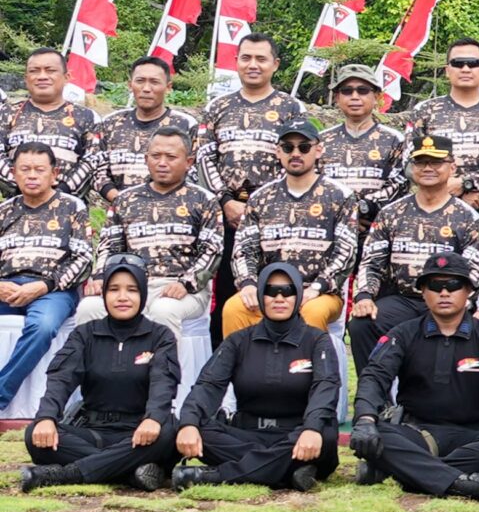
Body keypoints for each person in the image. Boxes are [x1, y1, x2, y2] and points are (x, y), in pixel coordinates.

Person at [349, 250, 479, 500]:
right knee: (377, 435)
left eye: (453, 285)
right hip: (416, 434)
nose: (444, 293)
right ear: (423, 291)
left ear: (468, 292)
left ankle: (402, 471)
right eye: (435, 285)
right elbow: (374, 378)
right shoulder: (402, 334)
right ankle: (463, 484)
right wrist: (366, 419)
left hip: (473, 436)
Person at [173, 261, 340, 491]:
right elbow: (208, 385)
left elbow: (326, 386)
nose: (279, 298)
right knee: (197, 430)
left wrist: (311, 429)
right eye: (271, 291)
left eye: (288, 291)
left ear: (299, 295)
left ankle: (214, 476)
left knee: (325, 435)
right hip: (247, 435)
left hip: (297, 435)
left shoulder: (317, 340)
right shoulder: (238, 340)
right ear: (261, 295)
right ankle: (285, 472)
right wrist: (189, 422)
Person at [20, 255, 181, 492]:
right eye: (114, 289)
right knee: (36, 435)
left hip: (141, 433)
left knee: (169, 432)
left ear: (143, 295)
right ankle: (132, 474)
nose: (123, 297)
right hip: (92, 432)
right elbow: (61, 379)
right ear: (104, 294)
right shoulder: (85, 334)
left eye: (132, 290)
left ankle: (66, 474)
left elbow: (163, 384)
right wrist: (46, 417)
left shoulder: (160, 336)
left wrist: (154, 419)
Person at [348, 132, 479, 363]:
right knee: (363, 324)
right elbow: (372, 261)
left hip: (448, 299)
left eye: (436, 162)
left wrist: (457, 302)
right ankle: (374, 395)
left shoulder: (468, 217)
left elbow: (475, 269)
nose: (428, 168)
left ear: (452, 167)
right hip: (402, 299)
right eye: (421, 162)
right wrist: (364, 296)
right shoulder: (391, 213)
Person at [198, 32, 309, 307]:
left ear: (276, 64)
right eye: (246, 58)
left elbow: (298, 159)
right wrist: (225, 202)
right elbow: (204, 157)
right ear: (236, 61)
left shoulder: (291, 108)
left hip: (277, 215)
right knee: (226, 291)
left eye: (261, 58)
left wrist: (266, 205)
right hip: (226, 215)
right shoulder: (217, 107)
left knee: (275, 290)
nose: (253, 65)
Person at [79, 125, 219, 330]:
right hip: (131, 286)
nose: (162, 163)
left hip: (182, 287)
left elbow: (212, 250)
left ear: (189, 162)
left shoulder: (204, 200)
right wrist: (100, 277)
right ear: (146, 159)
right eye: (155, 156)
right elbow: (109, 246)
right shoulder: (125, 200)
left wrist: (186, 283)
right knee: (90, 307)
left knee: (164, 310)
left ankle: (162, 364)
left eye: (171, 157)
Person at [224, 119, 356, 336]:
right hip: (268, 291)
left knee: (312, 312)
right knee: (234, 308)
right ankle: (240, 369)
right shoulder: (260, 198)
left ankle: (307, 369)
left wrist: (317, 287)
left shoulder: (340, 196)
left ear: (318, 150)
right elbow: (243, 248)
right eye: (288, 147)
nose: (296, 153)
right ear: (278, 152)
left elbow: (346, 252)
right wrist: (248, 283)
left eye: (304, 147)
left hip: (319, 292)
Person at [0, 141, 94, 405]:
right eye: (25, 169)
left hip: (53, 290)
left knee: (42, 327)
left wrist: (43, 286)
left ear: (54, 174)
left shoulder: (72, 207)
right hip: (6, 287)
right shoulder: (4, 211)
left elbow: (84, 259)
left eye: (39, 170)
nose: (31, 175)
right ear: (14, 173)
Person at [401, 38, 479, 243]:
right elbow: (409, 161)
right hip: (432, 207)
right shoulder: (425, 111)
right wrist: (443, 188)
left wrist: (466, 184)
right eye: (457, 63)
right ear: (447, 70)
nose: (465, 68)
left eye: (473, 63)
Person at [71, 55, 195, 210]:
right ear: (130, 85)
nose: (146, 88)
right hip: (120, 211)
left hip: (172, 211)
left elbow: (192, 171)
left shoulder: (186, 125)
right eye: (140, 81)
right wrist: (119, 199)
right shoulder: (110, 124)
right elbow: (97, 168)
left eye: (154, 82)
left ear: (168, 87)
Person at [316, 63, 406, 233]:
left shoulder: (394, 139)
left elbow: (400, 183)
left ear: (377, 96)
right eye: (347, 91)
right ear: (337, 97)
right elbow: (311, 184)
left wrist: (365, 208)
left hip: (378, 230)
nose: (355, 96)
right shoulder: (321, 141)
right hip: (329, 229)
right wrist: (344, 216)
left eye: (363, 90)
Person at [2, 49, 93, 201]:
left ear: (66, 77)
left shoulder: (86, 117)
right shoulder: (6, 113)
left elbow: (93, 160)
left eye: (50, 70)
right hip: (15, 205)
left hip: (68, 208)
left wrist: (63, 190)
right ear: (26, 78)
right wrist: (21, 184)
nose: (42, 76)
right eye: (34, 71)